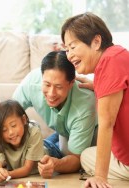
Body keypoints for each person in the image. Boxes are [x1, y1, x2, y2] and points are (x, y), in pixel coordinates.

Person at [61, 12, 129, 188]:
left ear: (96, 42)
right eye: (66, 49)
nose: (69, 55)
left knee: (85, 157)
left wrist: (100, 177)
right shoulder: (117, 56)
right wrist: (98, 86)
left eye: (73, 47)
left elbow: (107, 123)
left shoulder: (109, 61)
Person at [12, 51, 97, 178]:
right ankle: (51, 142)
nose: (51, 94)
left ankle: (52, 145)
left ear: (71, 83)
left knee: (66, 153)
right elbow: (7, 114)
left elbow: (76, 159)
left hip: (91, 133)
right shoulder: (32, 82)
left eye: (58, 87)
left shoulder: (84, 106)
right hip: (63, 130)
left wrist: (56, 164)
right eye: (47, 84)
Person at [0, 99, 45, 182]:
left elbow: (27, 169)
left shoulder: (34, 133)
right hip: (36, 143)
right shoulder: (0, 139)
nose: (10, 133)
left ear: (24, 120)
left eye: (13, 125)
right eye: (4, 130)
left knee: (58, 144)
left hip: (49, 149)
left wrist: (7, 174)